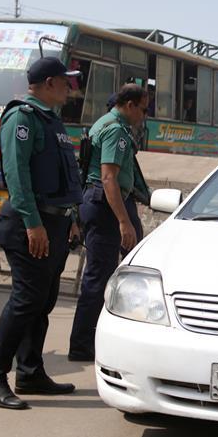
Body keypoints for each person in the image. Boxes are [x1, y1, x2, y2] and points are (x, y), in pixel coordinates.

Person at [0, 57, 83, 409]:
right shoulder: (21, 117)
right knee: (26, 299)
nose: (70, 88)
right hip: (29, 223)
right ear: (50, 82)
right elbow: (17, 174)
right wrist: (33, 223)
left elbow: (65, 177)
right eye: (66, 81)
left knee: (43, 301)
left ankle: (30, 372)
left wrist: (72, 218)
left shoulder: (51, 120)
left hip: (55, 222)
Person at [68, 84, 150, 361]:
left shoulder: (107, 123)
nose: (144, 117)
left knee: (118, 271)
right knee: (98, 277)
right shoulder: (115, 130)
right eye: (143, 110)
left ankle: (98, 338)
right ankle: (82, 345)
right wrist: (124, 221)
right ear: (130, 105)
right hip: (105, 207)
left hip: (104, 204)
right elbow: (108, 178)